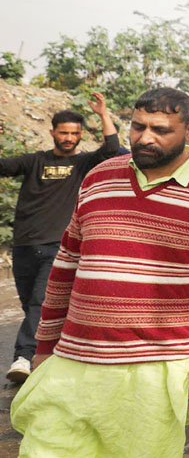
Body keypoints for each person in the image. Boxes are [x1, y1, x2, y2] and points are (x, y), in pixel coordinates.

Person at [10, 88, 189, 455]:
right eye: (137, 127)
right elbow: (65, 266)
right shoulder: (100, 177)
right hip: (75, 354)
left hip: (159, 363)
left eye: (161, 129)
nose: (145, 137)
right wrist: (45, 346)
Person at [0, 93, 120, 383]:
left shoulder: (84, 163)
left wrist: (103, 114)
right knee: (31, 302)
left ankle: (23, 356)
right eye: (64, 132)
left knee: (40, 301)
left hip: (59, 245)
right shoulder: (33, 161)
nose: (69, 138)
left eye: (74, 133)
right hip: (26, 244)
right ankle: (56, 350)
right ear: (53, 132)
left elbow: (114, 150)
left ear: (80, 136)